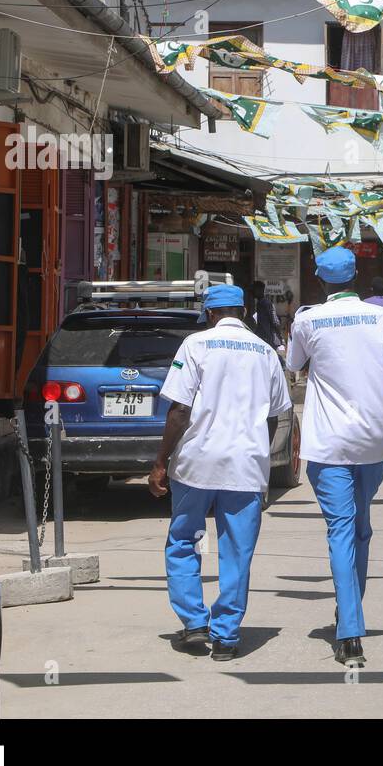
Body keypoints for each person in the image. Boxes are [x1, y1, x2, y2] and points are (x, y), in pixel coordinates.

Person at [286, 247, 383, 667]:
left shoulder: (305, 319)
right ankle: (350, 612)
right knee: (360, 527)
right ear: (356, 275)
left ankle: (350, 632)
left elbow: (297, 366)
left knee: (342, 532)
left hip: (329, 442)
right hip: (376, 441)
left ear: (320, 280)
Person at [150, 283, 290, 662]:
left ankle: (194, 623)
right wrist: (258, 453)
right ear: (242, 312)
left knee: (185, 540)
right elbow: (275, 416)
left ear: (211, 314)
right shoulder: (265, 352)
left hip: (196, 464)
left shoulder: (196, 345)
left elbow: (179, 411)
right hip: (246, 467)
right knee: (236, 551)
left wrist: (161, 460)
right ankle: (226, 637)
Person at [248, 280, 285, 352]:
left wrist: (280, 337)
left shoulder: (266, 303)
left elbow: (275, 321)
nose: (252, 293)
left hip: (268, 339)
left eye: (253, 290)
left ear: (259, 290)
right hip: (263, 338)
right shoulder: (260, 303)